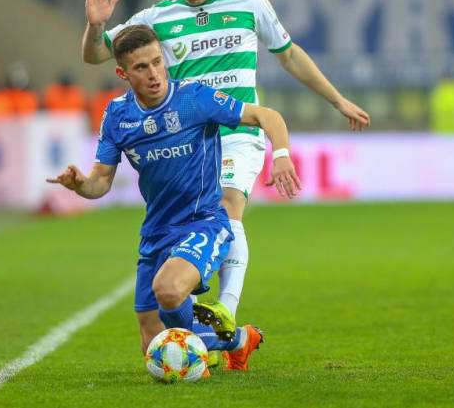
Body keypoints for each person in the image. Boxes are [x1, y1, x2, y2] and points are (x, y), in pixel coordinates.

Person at [80, 0, 371, 330]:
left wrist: (337, 101)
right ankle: (197, 330)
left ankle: (226, 313)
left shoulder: (250, 4)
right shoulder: (158, 17)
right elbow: (96, 53)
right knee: (189, 229)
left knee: (228, 205)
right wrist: (95, 26)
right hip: (189, 142)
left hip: (238, 131)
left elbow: (289, 56)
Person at [49, 25, 301, 371]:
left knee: (167, 290)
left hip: (203, 222)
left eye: (157, 62)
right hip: (156, 232)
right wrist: (80, 184)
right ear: (123, 73)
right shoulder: (118, 116)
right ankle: (239, 340)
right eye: (141, 67)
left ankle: (207, 341)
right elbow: (101, 182)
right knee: (153, 345)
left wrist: (282, 154)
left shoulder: (193, 98)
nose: (154, 74)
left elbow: (265, 115)